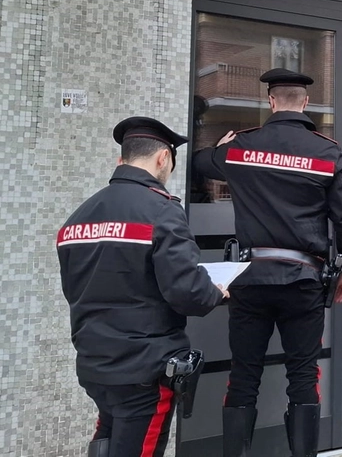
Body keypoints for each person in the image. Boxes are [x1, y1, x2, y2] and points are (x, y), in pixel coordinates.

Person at [191, 68, 342, 457]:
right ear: (305, 103)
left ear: (271, 101)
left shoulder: (241, 148)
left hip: (250, 280)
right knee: (303, 376)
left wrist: (220, 147)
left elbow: (200, 164)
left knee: (243, 376)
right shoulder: (326, 151)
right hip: (303, 281)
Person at [57, 116, 229, 457]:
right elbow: (188, 293)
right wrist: (215, 290)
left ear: (121, 160)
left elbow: (75, 287)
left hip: (96, 362)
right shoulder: (161, 211)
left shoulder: (78, 216)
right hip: (144, 370)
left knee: (107, 438)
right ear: (162, 158)